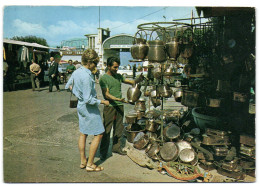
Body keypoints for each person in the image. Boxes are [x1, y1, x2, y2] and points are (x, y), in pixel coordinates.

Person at [65, 49, 109, 172]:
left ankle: (83, 160)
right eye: (95, 63)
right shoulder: (87, 76)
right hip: (89, 108)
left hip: (80, 106)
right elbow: (88, 99)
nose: (95, 66)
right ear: (90, 63)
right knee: (99, 133)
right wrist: (102, 101)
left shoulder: (77, 72)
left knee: (83, 132)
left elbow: (67, 85)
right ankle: (90, 164)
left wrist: (76, 93)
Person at [99, 56, 144, 160]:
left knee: (119, 128)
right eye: (114, 67)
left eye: (117, 67)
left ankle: (116, 147)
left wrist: (139, 79)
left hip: (119, 106)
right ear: (108, 66)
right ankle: (103, 152)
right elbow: (106, 95)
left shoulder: (118, 76)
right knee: (107, 130)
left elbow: (131, 82)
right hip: (110, 106)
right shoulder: (104, 78)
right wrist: (118, 99)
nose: (116, 69)